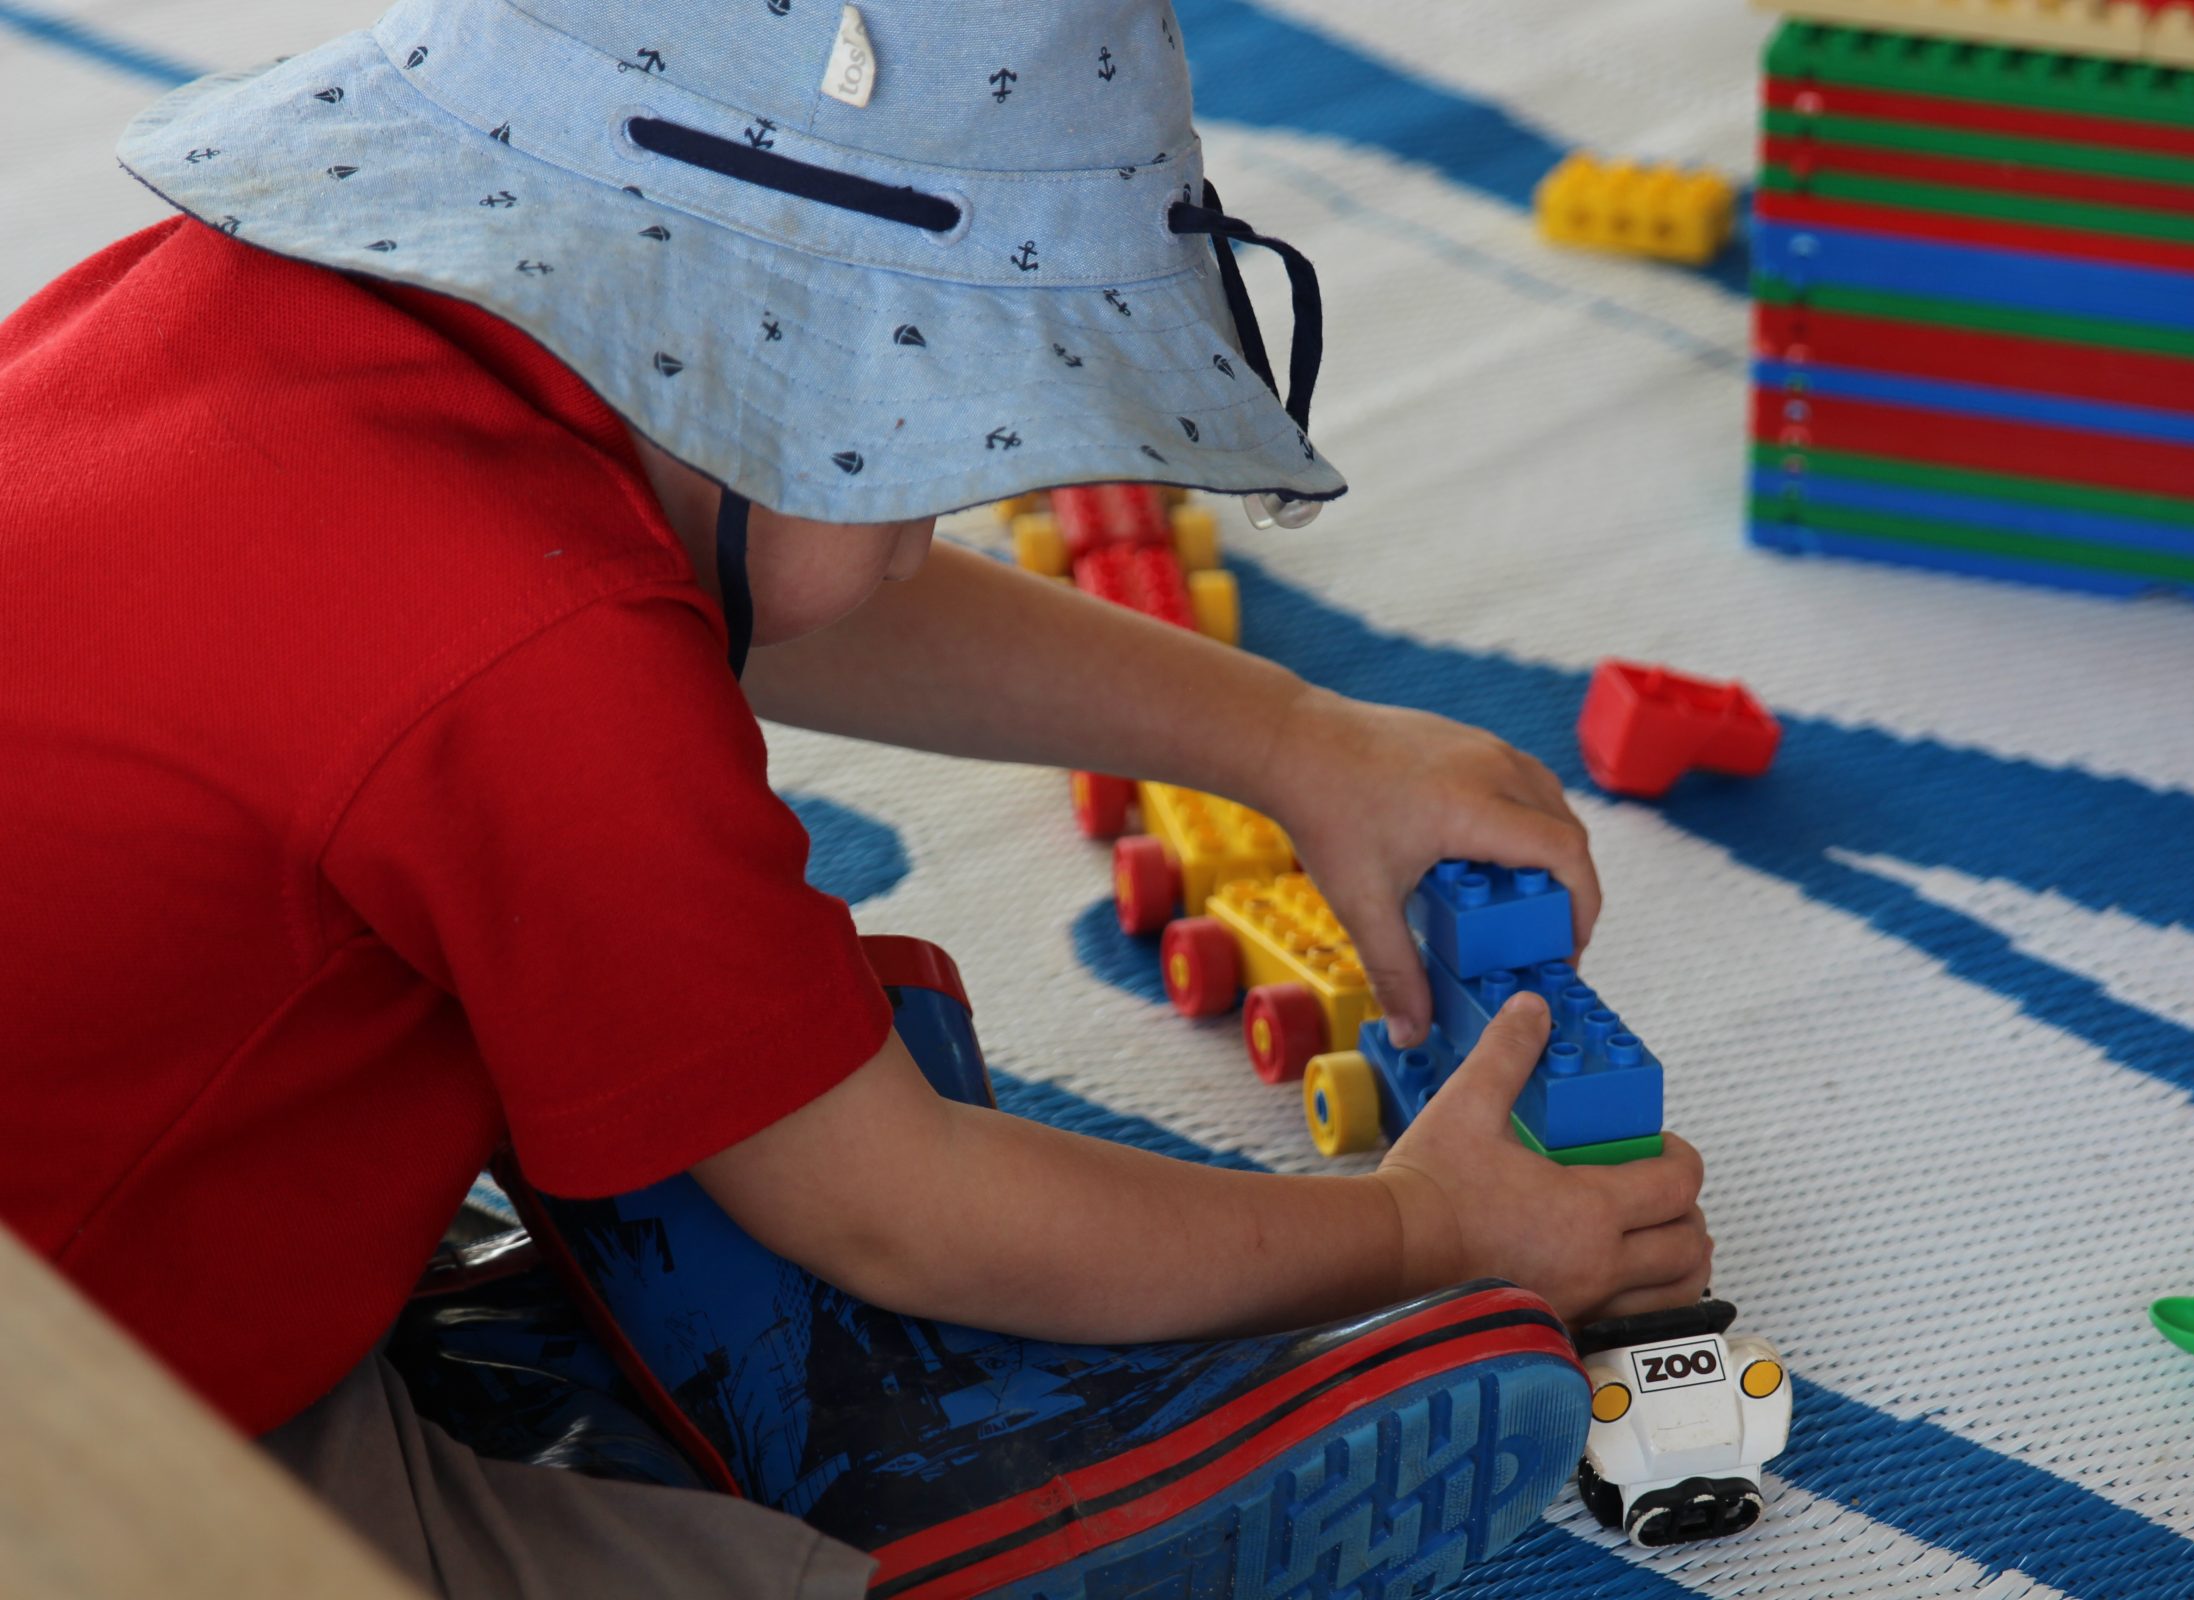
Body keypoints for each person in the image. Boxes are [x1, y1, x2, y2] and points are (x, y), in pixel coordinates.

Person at [0, 0, 1711, 1595]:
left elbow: (732, 579)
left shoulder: (231, 309)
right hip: (53, 1401)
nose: (926, 533)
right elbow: (898, 1204)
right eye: (926, 452)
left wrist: (1295, 742)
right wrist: (1413, 1224)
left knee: (658, 1036)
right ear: (755, 365)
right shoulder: (545, 660)